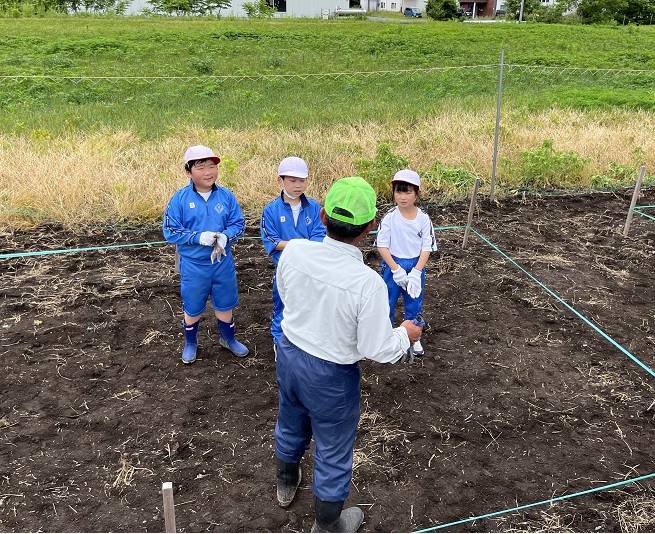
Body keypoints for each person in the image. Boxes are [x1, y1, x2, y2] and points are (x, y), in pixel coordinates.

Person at [273, 176, 423, 533]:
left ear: (322, 216)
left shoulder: (293, 251)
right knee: (333, 447)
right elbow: (377, 348)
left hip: (290, 355)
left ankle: (285, 482)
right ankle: (328, 525)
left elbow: (285, 296)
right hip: (331, 375)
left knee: (290, 418)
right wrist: (405, 333)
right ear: (370, 227)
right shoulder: (365, 282)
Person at [163, 145, 249, 364]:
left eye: (212, 166)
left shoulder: (226, 196)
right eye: (201, 167)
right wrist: (196, 237)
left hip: (222, 262)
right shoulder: (179, 199)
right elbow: (170, 231)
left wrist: (226, 236)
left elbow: (238, 223)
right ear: (188, 172)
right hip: (194, 264)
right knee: (193, 305)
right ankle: (191, 342)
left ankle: (228, 339)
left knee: (225, 302)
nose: (208, 172)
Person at [260, 156, 326, 350]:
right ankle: (279, 345)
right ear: (280, 181)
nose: (298, 185)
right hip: (285, 269)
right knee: (283, 307)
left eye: (302, 180)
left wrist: (291, 244)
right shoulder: (271, 210)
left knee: (311, 307)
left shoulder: (314, 208)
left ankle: (306, 345)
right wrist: (301, 244)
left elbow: (320, 236)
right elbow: (272, 240)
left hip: (311, 269)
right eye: (292, 180)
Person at [375, 169, 437, 356]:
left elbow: (427, 247)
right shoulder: (390, 218)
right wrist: (396, 269)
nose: (402, 197)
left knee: (414, 302)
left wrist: (417, 272)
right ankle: (384, 339)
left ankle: (414, 337)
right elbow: (382, 246)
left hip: (415, 265)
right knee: (387, 302)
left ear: (417, 193)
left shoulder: (423, 219)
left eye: (407, 192)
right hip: (393, 266)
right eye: (398, 191)